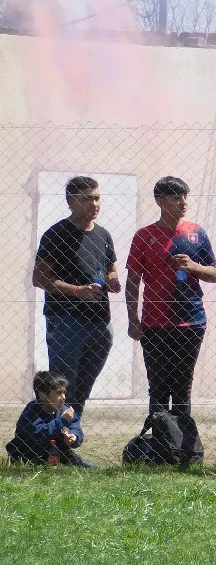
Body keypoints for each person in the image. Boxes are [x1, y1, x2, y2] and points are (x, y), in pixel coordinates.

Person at [125, 176, 216, 467]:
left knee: (182, 388)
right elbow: (132, 281)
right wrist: (133, 319)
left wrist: (194, 267)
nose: (183, 203)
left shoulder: (196, 233)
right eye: (176, 198)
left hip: (190, 323)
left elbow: (215, 273)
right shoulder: (144, 235)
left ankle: (183, 453)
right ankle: (159, 452)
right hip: (154, 324)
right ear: (161, 201)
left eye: (185, 197)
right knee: (158, 387)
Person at [32, 175, 121, 418]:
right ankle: (48, 441)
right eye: (88, 199)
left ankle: (69, 437)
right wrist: (77, 291)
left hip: (100, 322)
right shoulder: (56, 234)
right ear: (71, 201)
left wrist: (113, 280)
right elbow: (40, 279)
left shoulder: (103, 235)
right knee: (62, 387)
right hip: (65, 321)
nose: (95, 204)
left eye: (97, 198)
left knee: (83, 389)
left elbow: (110, 267)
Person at [6, 371, 90, 467]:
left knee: (84, 465)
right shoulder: (32, 411)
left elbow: (76, 428)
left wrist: (73, 437)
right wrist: (62, 421)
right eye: (58, 393)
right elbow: (39, 433)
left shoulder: (65, 410)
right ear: (43, 395)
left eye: (64, 392)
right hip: (29, 453)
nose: (63, 397)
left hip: (57, 453)